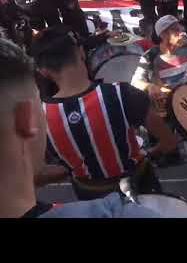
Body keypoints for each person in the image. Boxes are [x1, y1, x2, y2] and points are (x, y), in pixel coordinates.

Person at [0, 38, 177, 218]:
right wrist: (145, 153)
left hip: (88, 195)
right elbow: (169, 142)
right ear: (81, 52)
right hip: (142, 188)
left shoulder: (43, 116)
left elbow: (37, 175)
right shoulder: (124, 94)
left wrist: (78, 166)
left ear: (44, 72)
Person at [131, 15, 187, 163]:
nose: (181, 31)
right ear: (162, 34)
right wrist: (150, 86)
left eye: (180, 27)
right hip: (166, 106)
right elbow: (135, 81)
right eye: (175, 29)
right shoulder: (150, 56)